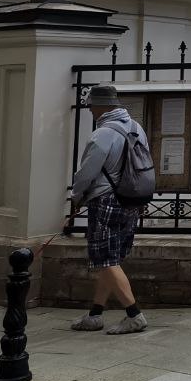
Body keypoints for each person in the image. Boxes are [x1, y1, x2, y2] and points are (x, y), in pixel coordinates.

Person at [67, 85, 148, 334]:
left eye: (91, 105)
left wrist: (76, 196)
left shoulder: (103, 133)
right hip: (131, 198)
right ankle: (95, 314)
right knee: (110, 259)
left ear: (102, 105)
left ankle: (134, 314)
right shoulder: (136, 127)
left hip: (106, 199)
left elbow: (87, 172)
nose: (90, 110)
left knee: (105, 257)